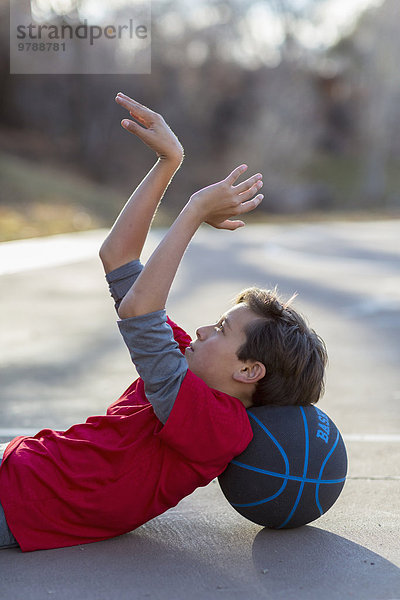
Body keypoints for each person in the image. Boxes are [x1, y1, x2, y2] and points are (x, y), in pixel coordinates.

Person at [0, 93, 327, 552]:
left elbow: (140, 312)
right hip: (17, 469)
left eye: (221, 328)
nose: (202, 331)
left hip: (15, 502)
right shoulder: (185, 370)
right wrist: (168, 164)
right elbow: (118, 259)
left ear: (249, 371)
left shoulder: (221, 426)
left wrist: (194, 209)